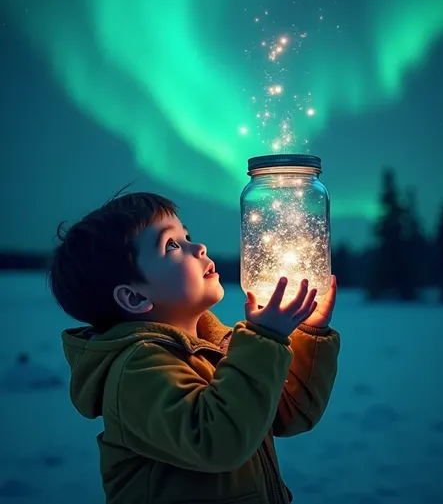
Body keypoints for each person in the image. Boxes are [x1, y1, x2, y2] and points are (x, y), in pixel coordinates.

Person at [49, 190, 340, 504]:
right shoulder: (135, 371)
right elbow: (219, 440)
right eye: (171, 245)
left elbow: (290, 413)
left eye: (186, 235)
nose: (198, 247)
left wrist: (309, 331)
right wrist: (265, 339)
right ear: (135, 297)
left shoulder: (220, 350)